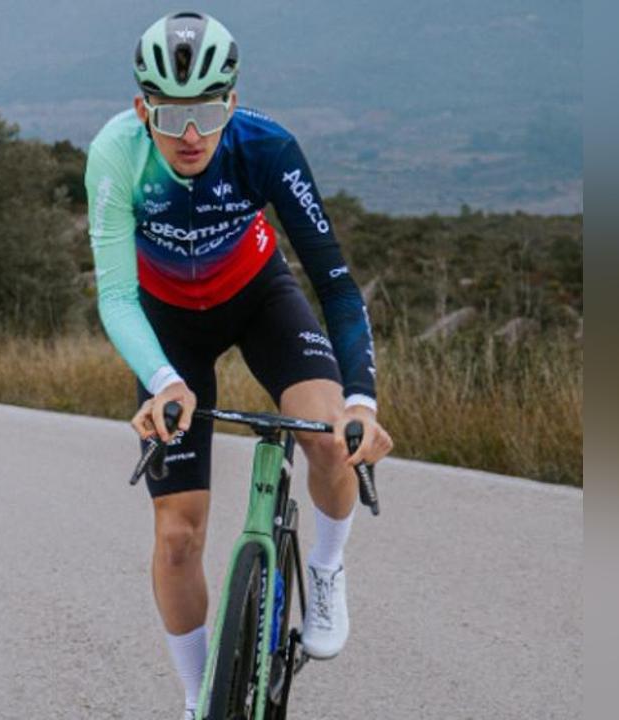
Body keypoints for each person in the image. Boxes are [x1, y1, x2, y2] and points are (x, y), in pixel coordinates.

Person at [85, 11, 395, 719]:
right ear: (142, 108)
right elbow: (116, 295)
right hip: (167, 326)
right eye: (171, 114)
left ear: (233, 99)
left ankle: (326, 569)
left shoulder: (266, 146)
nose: (191, 134)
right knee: (177, 536)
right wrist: (163, 381)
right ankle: (199, 697)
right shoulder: (116, 155)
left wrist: (362, 402)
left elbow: (337, 286)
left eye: (209, 110)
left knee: (328, 440)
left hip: (260, 299)